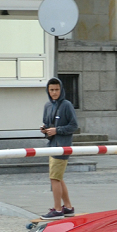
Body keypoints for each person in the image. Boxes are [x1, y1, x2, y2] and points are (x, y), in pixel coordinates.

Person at [40, 77, 79, 218]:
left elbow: (74, 126)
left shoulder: (67, 105)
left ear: (61, 90)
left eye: (57, 89)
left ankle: (57, 210)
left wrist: (57, 130)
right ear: (48, 91)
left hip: (62, 146)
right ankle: (68, 207)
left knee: (54, 178)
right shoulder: (47, 106)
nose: (54, 92)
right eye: (51, 90)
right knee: (58, 177)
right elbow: (47, 123)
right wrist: (45, 129)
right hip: (52, 145)